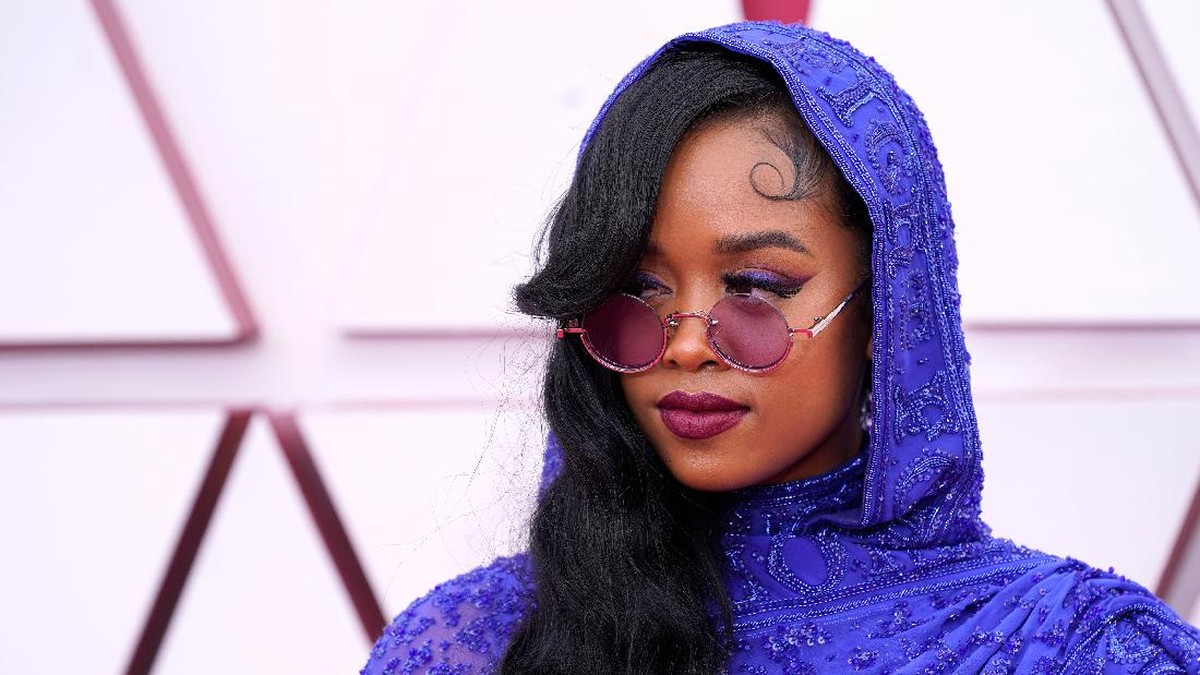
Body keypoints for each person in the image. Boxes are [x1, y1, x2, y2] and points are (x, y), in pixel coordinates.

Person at [361, 21, 1200, 674]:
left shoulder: (1069, 645)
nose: (687, 345)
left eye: (755, 289)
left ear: (885, 311)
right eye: (640, 291)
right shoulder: (472, 639)